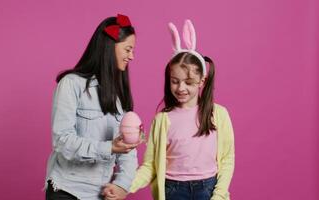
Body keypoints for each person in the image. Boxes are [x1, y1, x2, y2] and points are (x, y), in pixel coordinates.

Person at [127, 20, 235, 200]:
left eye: (189, 82)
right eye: (175, 81)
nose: (181, 88)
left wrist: (219, 195)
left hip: (208, 189)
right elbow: (150, 165)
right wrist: (126, 186)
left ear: (202, 81)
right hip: (173, 190)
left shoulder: (219, 115)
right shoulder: (162, 120)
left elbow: (227, 160)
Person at [44, 14, 140, 200]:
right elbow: (62, 141)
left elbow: (128, 150)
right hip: (67, 191)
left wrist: (122, 185)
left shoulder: (120, 94)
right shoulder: (71, 84)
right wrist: (108, 148)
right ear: (110, 46)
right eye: (128, 49)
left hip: (101, 194)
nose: (132, 56)